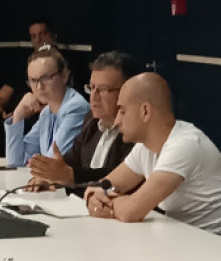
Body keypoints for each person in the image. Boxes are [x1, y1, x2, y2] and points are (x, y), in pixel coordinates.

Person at [85, 72, 221, 236]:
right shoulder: (144, 147)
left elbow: (131, 211)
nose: (117, 121)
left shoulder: (184, 145)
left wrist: (107, 202)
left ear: (145, 111)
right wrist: (94, 196)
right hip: (193, 239)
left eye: (123, 111)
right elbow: (105, 185)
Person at [27, 50, 138, 188]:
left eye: (103, 89)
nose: (94, 96)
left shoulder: (137, 132)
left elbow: (120, 176)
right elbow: (70, 160)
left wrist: (70, 175)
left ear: (127, 92)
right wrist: (48, 176)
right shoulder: (92, 121)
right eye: (91, 88)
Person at [4, 45, 87, 168]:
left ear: (64, 76)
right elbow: (16, 161)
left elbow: (50, 164)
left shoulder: (76, 108)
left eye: (46, 78)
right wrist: (18, 115)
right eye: (33, 80)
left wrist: (35, 163)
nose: (39, 87)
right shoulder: (47, 112)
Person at [0, 19, 57, 121]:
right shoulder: (23, 64)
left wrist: (36, 110)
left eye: (43, 34)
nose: (38, 40)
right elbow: (0, 97)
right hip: (17, 120)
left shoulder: (62, 65)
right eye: (33, 36)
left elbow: (65, 102)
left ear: (53, 36)